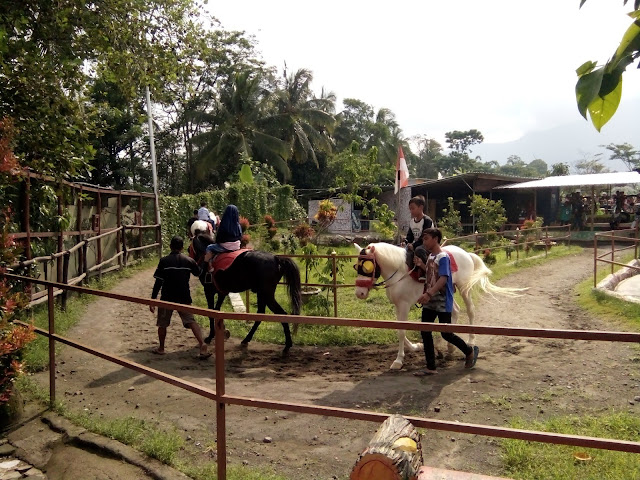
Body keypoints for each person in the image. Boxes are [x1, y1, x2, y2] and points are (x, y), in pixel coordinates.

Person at [413, 228, 479, 376]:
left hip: (442, 300)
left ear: (435, 239)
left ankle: (469, 351)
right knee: (425, 331)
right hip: (431, 300)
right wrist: (422, 266)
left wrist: (428, 293)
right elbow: (432, 274)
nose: (424, 242)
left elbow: (443, 278)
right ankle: (431, 367)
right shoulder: (431, 257)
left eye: (426, 238)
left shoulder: (443, 257)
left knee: (446, 334)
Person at [149, 236, 210, 359]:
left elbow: (158, 282)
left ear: (171, 246)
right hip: (184, 297)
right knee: (191, 321)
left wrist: (153, 299)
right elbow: (199, 273)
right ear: (182, 248)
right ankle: (202, 343)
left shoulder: (164, 261)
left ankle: (161, 348)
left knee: (162, 324)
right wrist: (205, 261)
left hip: (167, 297)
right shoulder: (188, 261)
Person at [404, 195, 435, 275]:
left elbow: (424, 238)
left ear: (421, 207)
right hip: (417, 245)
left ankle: (425, 271)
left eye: (413, 208)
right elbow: (409, 236)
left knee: (419, 250)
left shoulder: (427, 221)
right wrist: (405, 242)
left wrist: (413, 245)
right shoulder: (412, 222)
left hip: (428, 246)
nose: (411, 211)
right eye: (410, 209)